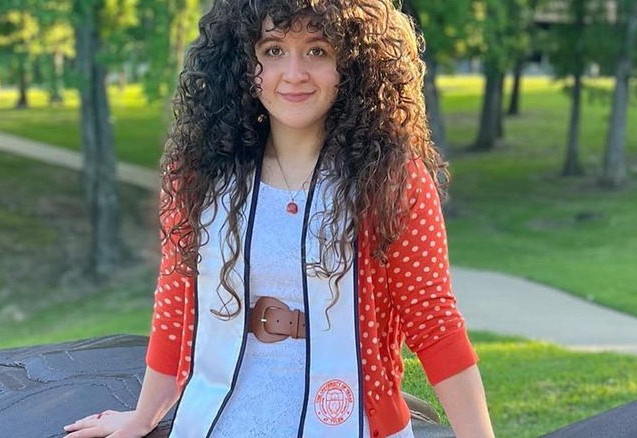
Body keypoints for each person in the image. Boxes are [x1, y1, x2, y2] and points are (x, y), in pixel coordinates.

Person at [64, 0, 494, 436]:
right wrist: (142, 418)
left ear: (354, 63)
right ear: (242, 63)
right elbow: (178, 305)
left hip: (355, 424)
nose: (293, 74)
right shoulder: (198, 174)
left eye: (317, 51)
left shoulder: (391, 181)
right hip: (220, 421)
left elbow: (434, 324)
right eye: (272, 50)